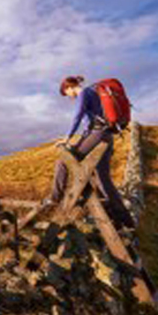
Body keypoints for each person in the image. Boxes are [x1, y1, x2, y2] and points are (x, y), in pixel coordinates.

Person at [47, 75, 134, 229]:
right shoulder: (95, 92)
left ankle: (54, 198)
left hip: (98, 134)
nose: (69, 97)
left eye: (67, 94)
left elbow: (78, 116)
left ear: (69, 88)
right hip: (107, 136)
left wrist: (68, 138)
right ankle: (123, 220)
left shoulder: (85, 93)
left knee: (63, 161)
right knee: (103, 179)